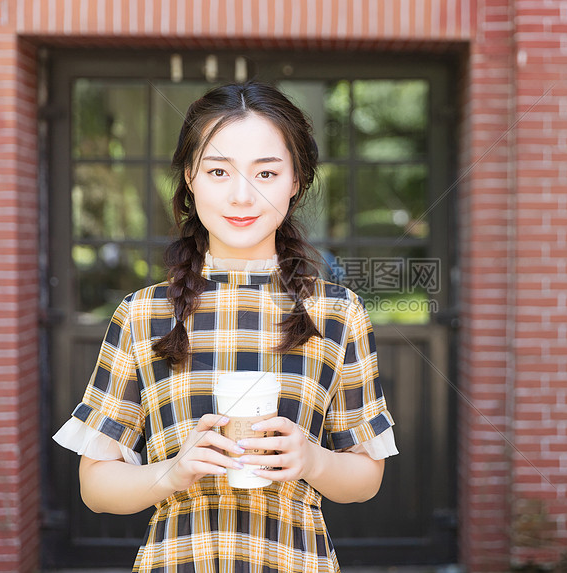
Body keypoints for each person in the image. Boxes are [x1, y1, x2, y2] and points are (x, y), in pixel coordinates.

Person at [53, 81, 398, 573]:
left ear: (296, 180)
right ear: (191, 177)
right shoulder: (142, 314)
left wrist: (312, 460)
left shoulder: (338, 313)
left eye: (266, 172)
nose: (242, 195)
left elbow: (365, 479)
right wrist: (173, 472)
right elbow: (96, 489)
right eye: (219, 171)